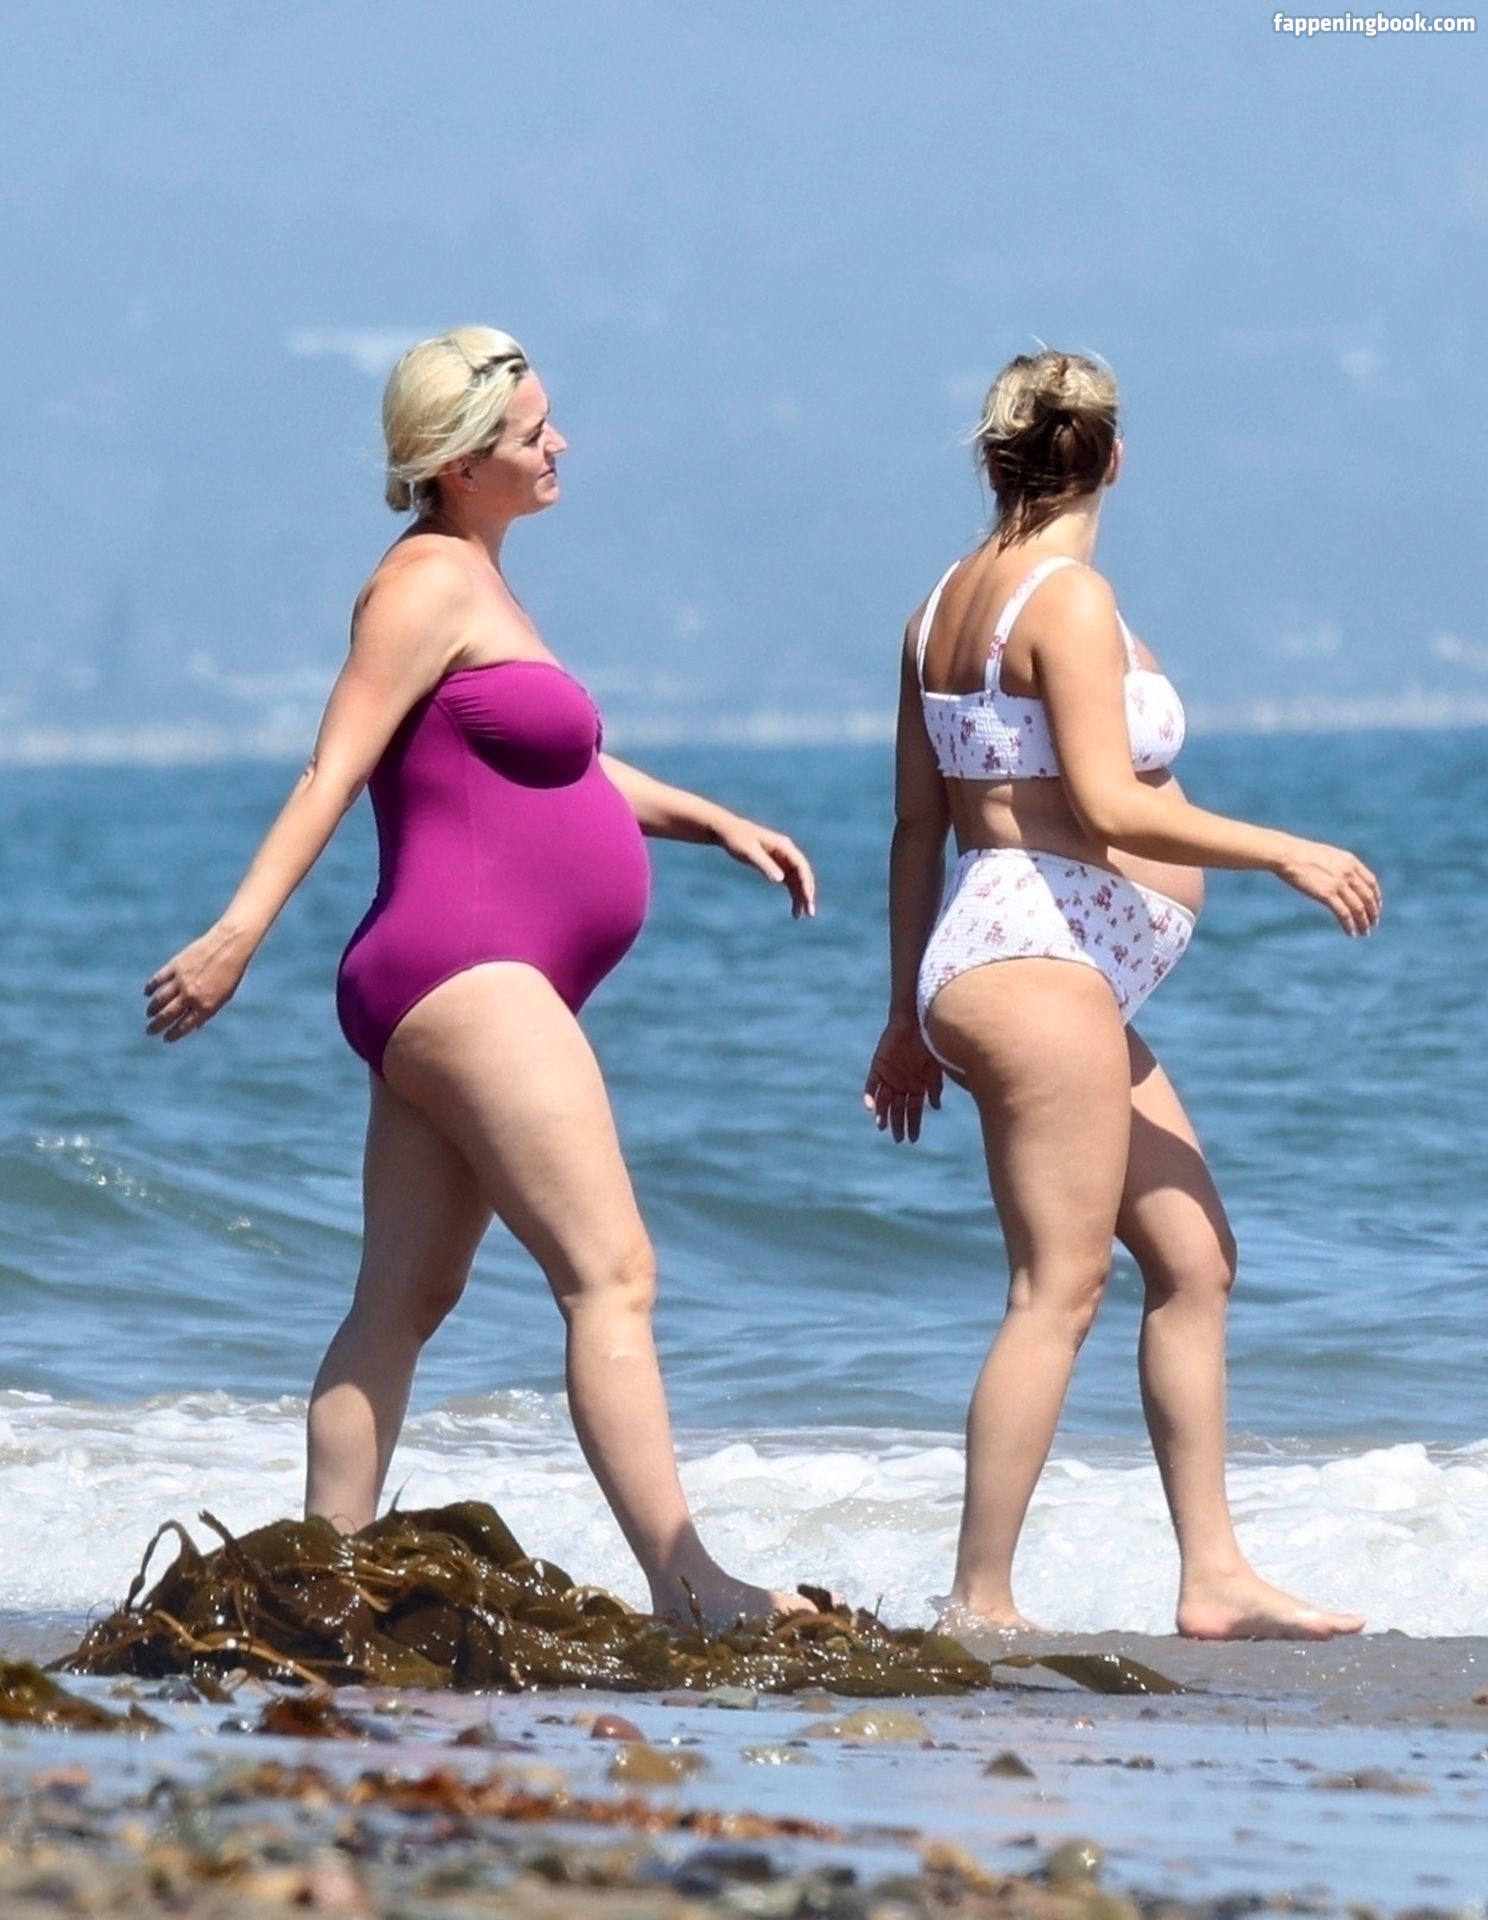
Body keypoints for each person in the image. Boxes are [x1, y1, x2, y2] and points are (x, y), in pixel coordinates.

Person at [145, 325, 822, 1624]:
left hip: (456, 976)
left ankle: (320, 1582)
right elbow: (333, 768)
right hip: (466, 968)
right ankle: (690, 1584)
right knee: (612, 1274)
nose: (559, 444)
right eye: (530, 433)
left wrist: (712, 820)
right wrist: (238, 934)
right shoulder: (423, 587)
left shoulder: (479, 581)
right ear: (459, 463)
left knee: (404, 1296)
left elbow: (559, 772)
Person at [863, 350, 1382, 1640]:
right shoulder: (1069, 599)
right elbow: (1104, 804)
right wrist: (1284, 850)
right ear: (1112, 457)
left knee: (1195, 1260)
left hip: (1022, 958)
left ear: (997, 458)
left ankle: (1215, 1577)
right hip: (1037, 962)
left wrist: (905, 1011)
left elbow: (918, 828)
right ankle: (980, 1600)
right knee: (1058, 1288)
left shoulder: (937, 608)